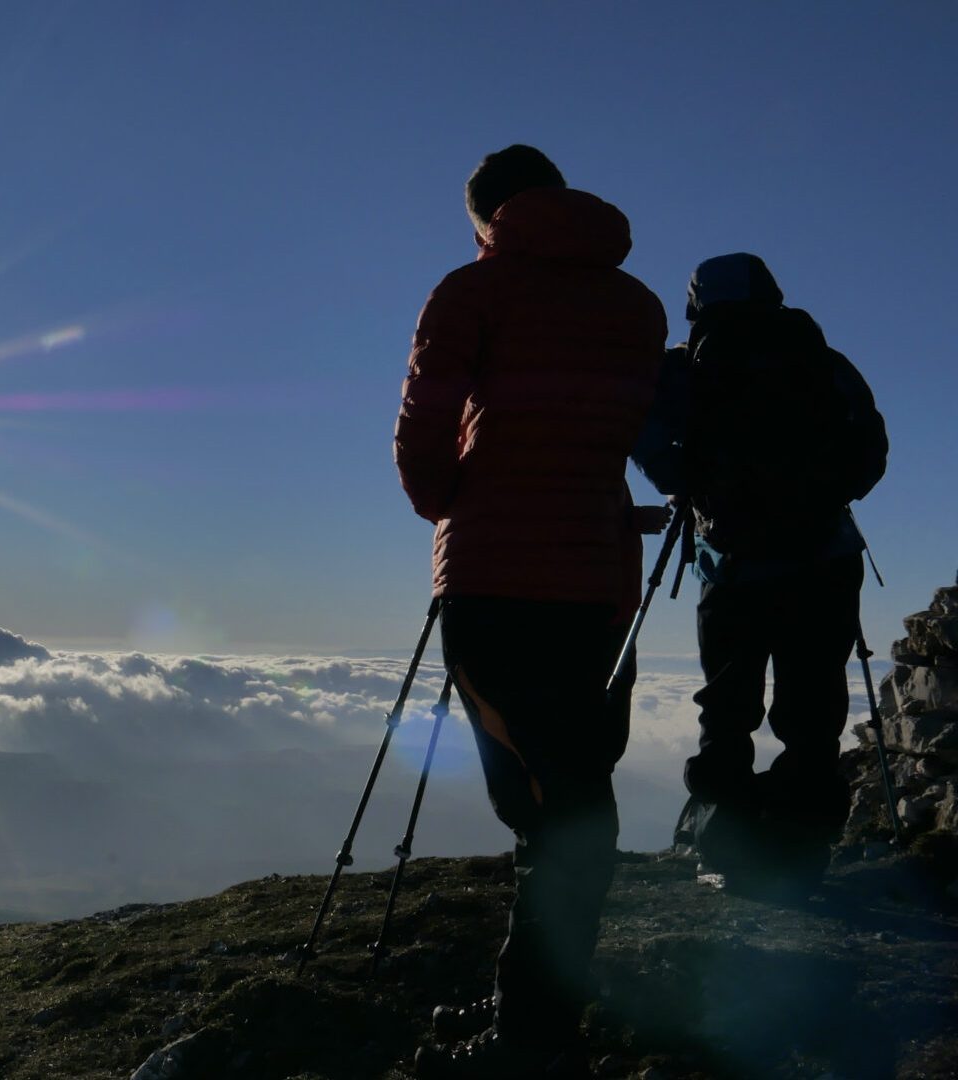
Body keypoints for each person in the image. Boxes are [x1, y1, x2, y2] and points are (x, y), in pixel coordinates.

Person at [396, 145, 666, 1078]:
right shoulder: (636, 305)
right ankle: (535, 996)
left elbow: (424, 428)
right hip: (600, 583)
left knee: (548, 806)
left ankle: (533, 1041)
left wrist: (453, 504)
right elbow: (625, 434)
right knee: (572, 787)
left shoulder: (474, 290)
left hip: (497, 580)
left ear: (485, 219)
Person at [631, 252, 887, 896]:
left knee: (728, 707)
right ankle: (800, 849)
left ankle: (726, 846)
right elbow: (871, 447)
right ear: (772, 294)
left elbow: (645, 436)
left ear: (697, 305)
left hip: (731, 567)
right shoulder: (820, 360)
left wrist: (690, 483)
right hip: (824, 561)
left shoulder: (681, 369)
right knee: (813, 706)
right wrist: (822, 497)